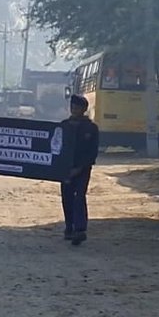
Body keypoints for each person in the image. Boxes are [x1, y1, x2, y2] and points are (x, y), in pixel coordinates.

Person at [61, 94, 99, 246]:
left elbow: (92, 152)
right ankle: (69, 227)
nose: (74, 110)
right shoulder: (63, 126)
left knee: (79, 197)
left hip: (83, 169)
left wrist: (79, 168)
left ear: (84, 109)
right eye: (72, 107)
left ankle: (80, 229)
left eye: (77, 108)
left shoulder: (91, 128)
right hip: (65, 169)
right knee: (67, 197)